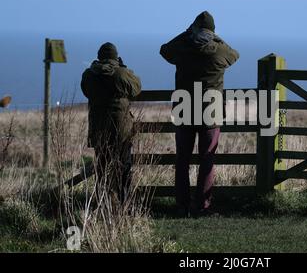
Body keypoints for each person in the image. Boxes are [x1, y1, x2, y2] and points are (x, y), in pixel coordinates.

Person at [160, 11, 240, 217]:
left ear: (194, 28)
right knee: (207, 160)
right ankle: (202, 206)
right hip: (210, 113)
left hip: (184, 110)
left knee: (182, 160)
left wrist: (187, 33)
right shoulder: (219, 51)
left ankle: (182, 206)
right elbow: (235, 54)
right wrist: (215, 37)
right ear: (212, 31)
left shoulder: (183, 48)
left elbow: (165, 50)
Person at [81, 42, 141, 210]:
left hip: (98, 127)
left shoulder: (88, 75)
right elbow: (136, 87)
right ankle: (125, 203)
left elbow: (85, 90)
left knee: (102, 167)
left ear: (99, 57)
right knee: (123, 166)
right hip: (120, 128)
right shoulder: (121, 73)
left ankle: (104, 202)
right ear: (116, 57)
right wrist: (124, 68)